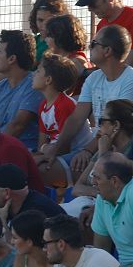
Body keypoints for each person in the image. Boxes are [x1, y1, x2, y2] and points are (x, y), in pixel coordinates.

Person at [54, 24, 133, 172]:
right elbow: (76, 118)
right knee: (41, 166)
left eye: (93, 44)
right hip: (96, 147)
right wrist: (56, 149)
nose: (89, 47)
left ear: (107, 51)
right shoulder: (94, 78)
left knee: (45, 171)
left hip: (118, 154)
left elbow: (116, 127)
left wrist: (88, 151)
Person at [34, 53, 93, 187]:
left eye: (38, 71)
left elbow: (65, 146)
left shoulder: (64, 104)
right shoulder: (43, 105)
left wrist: (45, 153)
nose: (34, 74)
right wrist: (42, 152)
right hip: (56, 150)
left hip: (77, 153)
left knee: (38, 171)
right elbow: (42, 142)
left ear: (48, 80)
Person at [0, 30, 43, 150]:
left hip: (25, 151)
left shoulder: (34, 84)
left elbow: (18, 125)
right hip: (1, 148)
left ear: (12, 59)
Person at [0, 164, 64, 222]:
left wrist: (1, 220)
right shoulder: (14, 206)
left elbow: (15, 249)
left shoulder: (35, 214)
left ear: (6, 193)